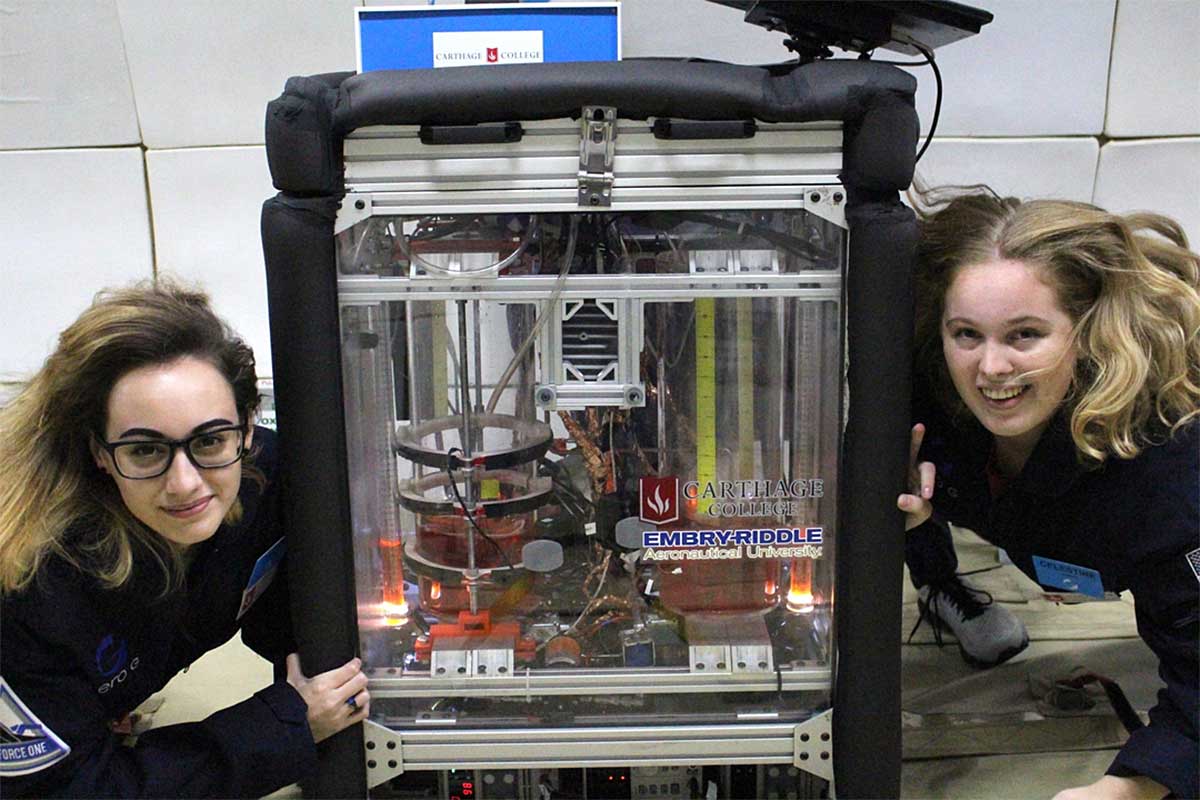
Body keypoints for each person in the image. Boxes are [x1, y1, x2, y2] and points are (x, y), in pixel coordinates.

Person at [0, 281, 369, 797]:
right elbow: (68, 792)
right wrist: (288, 724)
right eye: (146, 451)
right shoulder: (31, 580)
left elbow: (280, 615)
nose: (186, 483)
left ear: (246, 427)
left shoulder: (267, 473)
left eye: (210, 440)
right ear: (100, 453)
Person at [897, 189, 1200, 800]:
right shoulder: (931, 388)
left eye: (1025, 335)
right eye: (967, 334)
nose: (991, 368)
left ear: (1087, 332)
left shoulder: (1165, 471)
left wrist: (1131, 787)